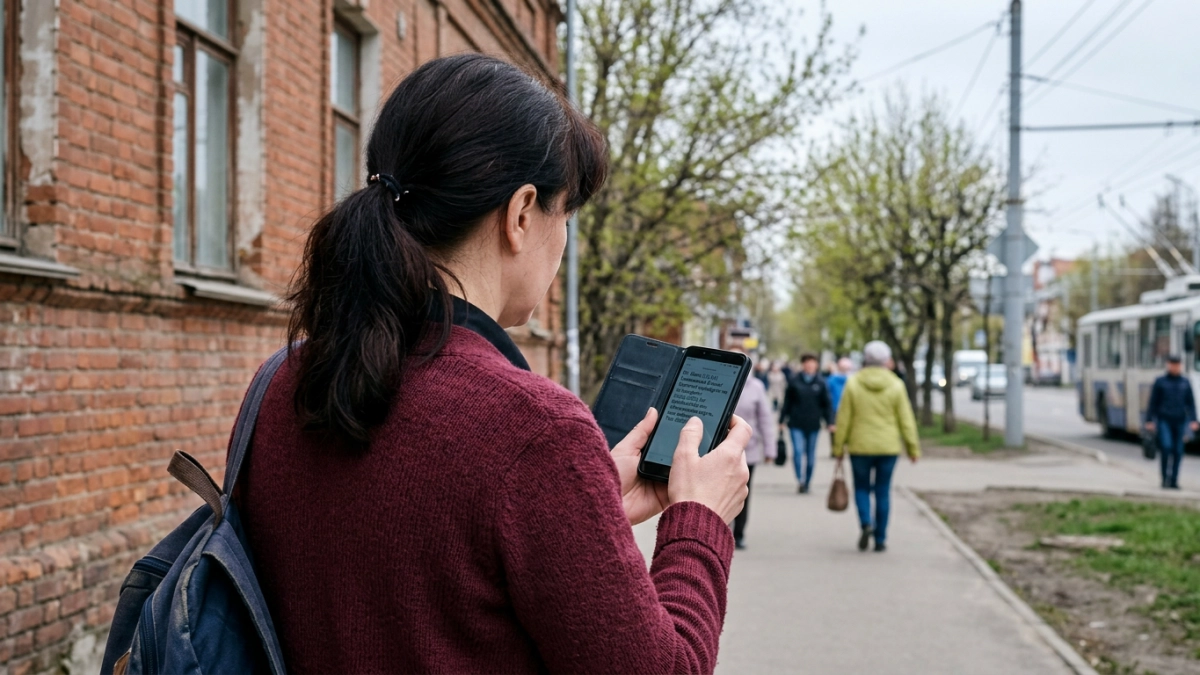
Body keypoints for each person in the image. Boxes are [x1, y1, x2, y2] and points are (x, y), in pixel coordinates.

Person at [239, 54, 753, 673]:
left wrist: (582, 511)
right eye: (565, 216)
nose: (563, 242)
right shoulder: (533, 430)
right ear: (520, 214)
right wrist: (699, 521)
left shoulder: (282, 383)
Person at [832, 341, 920, 553]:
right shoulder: (896, 385)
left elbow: (843, 418)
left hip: (859, 447)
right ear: (886, 361)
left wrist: (838, 448)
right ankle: (880, 538)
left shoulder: (853, 383)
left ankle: (865, 523)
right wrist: (912, 447)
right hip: (888, 447)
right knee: (882, 491)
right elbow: (905, 419)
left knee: (861, 488)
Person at [732, 362, 777, 550]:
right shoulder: (719, 381)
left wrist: (769, 449)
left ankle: (739, 533)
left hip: (747, 450)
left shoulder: (756, 387)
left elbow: (765, 419)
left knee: (742, 493)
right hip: (717, 450)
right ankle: (719, 531)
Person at [779, 353, 833, 494]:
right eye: (807, 362)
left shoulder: (821, 382)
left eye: (812, 362)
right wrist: (781, 420)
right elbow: (787, 402)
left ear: (816, 365)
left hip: (813, 424)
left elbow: (827, 404)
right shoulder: (794, 380)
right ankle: (800, 480)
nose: (810, 365)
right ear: (803, 364)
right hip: (796, 423)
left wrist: (830, 422)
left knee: (810, 456)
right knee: (797, 452)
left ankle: (808, 481)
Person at [1145, 354, 1197, 489]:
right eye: (1173, 364)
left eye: (1178, 364)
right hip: (1164, 420)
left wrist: (1193, 420)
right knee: (1166, 447)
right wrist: (1149, 420)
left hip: (1180, 420)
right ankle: (1164, 479)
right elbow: (1153, 402)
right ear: (1168, 365)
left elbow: (1191, 403)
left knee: (1178, 451)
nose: (1175, 367)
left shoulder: (1185, 382)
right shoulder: (1160, 382)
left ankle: (1174, 481)